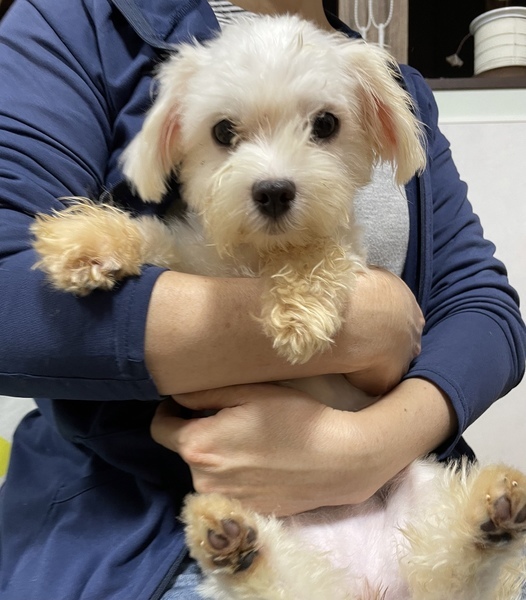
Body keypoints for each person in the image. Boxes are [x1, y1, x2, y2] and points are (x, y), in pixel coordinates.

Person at [0, 0, 524, 598]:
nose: (274, 175)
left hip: (399, 480)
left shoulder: (390, 83)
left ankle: (465, 560)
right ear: (172, 139)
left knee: (447, 529)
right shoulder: (77, 19)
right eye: (228, 134)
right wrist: (363, 325)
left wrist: (373, 447)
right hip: (147, 530)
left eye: (322, 128)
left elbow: (484, 305)